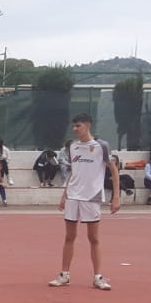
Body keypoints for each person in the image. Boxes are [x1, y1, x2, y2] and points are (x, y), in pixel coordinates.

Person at [49, 113, 118, 291]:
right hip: (73, 196)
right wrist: (64, 195)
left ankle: (98, 277)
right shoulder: (73, 147)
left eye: (78, 126)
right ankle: (64, 275)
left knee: (93, 238)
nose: (75, 129)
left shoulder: (101, 146)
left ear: (88, 125)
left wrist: (116, 197)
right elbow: (74, 172)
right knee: (69, 236)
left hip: (91, 197)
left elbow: (114, 170)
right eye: (74, 126)